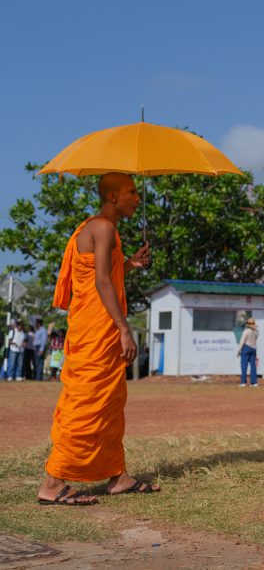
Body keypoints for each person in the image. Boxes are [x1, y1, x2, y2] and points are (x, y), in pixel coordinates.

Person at [36, 172, 159, 506]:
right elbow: (103, 282)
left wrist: (130, 263)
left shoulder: (103, 229)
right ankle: (52, 483)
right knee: (86, 404)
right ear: (113, 197)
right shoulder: (102, 227)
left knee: (109, 403)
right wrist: (123, 327)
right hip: (97, 330)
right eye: (131, 192)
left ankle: (117, 476)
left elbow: (100, 273)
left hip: (96, 330)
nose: (137, 198)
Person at [236, 318, 259, 387]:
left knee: (244, 365)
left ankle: (243, 382)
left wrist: (238, 350)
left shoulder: (246, 331)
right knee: (253, 366)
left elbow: (242, 341)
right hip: (253, 348)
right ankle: (254, 382)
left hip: (246, 348)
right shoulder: (256, 331)